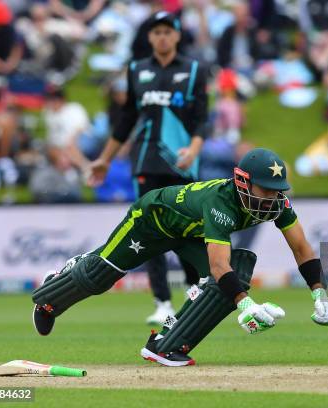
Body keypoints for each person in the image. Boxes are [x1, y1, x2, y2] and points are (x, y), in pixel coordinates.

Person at [32, 148, 328, 366]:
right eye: (266, 189)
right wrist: (246, 306)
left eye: (277, 190)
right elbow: (219, 264)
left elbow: (302, 248)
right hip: (151, 220)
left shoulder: (277, 204)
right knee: (99, 277)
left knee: (231, 277)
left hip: (189, 233)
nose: (272, 198)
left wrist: (320, 294)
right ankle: (51, 294)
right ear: (242, 181)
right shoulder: (222, 202)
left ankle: (165, 346)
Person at [87, 11, 208, 326]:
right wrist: (105, 158)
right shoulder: (137, 70)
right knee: (150, 230)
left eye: (168, 31)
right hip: (145, 160)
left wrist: (194, 148)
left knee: (186, 227)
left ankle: (195, 289)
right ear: (150, 37)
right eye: (157, 32)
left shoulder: (194, 70)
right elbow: (127, 119)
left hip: (182, 161)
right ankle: (162, 302)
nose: (162, 37)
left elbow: (201, 118)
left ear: (178, 36)